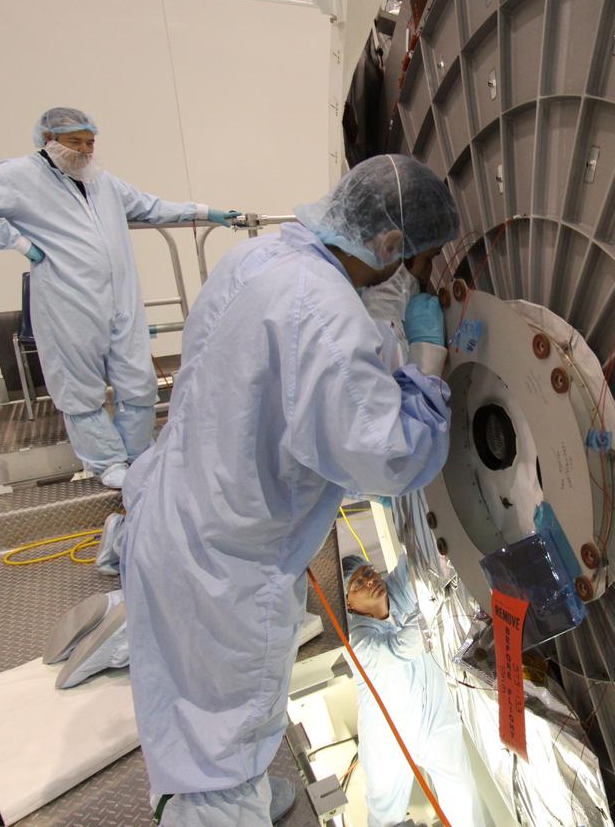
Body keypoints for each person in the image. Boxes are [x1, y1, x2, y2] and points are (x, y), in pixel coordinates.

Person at [119, 154, 460, 825]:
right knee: (221, 746)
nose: (413, 276)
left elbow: (302, 368)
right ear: (389, 245)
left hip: (175, 515)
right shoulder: (325, 318)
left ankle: (226, 791)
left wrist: (386, 324)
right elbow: (392, 456)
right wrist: (428, 361)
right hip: (226, 570)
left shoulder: (263, 258)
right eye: (414, 261)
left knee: (198, 720)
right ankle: (220, 806)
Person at [0, 107, 236, 488]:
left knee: (138, 380)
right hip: (67, 298)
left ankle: (138, 454)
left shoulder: (100, 181)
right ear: (48, 141)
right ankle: (107, 462)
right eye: (73, 141)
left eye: (89, 142)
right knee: (79, 387)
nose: (83, 150)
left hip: (121, 297)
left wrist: (205, 211)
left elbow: (148, 207)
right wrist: (16, 241)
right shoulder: (19, 176)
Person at [343, 555, 485, 827]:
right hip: (389, 737)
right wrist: (434, 604)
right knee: (385, 818)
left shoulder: (394, 591)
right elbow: (401, 648)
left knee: (464, 802)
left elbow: (416, 558)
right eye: (358, 582)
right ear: (348, 603)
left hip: (436, 719)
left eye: (369, 571)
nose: (371, 579)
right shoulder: (355, 640)